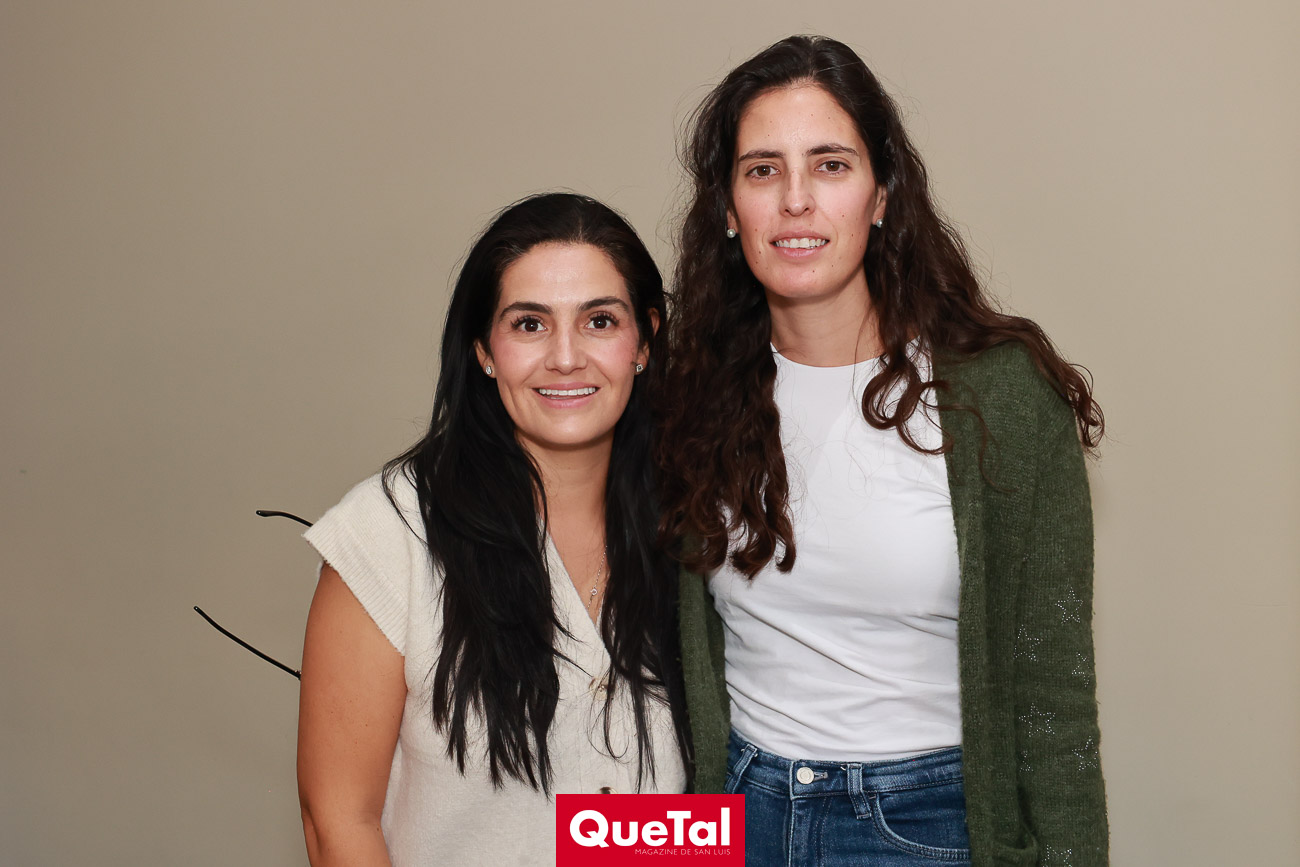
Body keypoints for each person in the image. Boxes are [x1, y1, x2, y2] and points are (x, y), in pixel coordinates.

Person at [656, 36, 1108, 866]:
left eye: (830, 165)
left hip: (928, 822)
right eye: (762, 170)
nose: (796, 200)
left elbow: (1055, 695)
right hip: (736, 813)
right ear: (727, 208)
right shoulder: (689, 393)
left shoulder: (1001, 396)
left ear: (882, 196)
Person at [297, 193, 688, 867]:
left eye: (599, 320)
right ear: (483, 349)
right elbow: (338, 821)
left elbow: (702, 805)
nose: (565, 357)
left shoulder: (702, 524)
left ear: (644, 342)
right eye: (529, 324)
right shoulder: (388, 533)